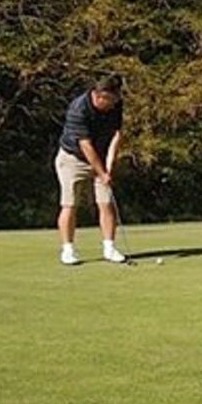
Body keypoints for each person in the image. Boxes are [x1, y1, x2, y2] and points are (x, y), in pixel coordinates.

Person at [55, 74, 127, 265]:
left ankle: (109, 248)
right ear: (98, 96)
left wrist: (109, 167)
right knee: (70, 204)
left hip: (101, 158)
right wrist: (102, 172)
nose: (113, 104)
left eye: (116, 99)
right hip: (73, 159)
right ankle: (68, 250)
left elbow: (116, 136)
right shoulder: (79, 108)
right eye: (110, 100)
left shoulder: (116, 104)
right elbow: (85, 145)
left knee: (106, 202)